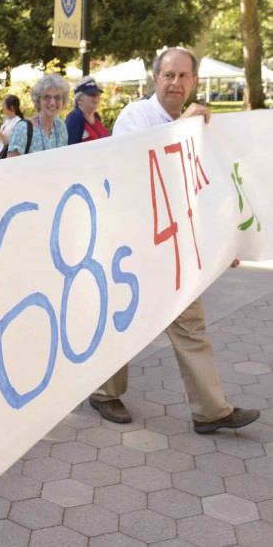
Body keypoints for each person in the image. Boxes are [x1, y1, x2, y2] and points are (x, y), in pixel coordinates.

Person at [89, 47, 260, 434]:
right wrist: (183, 124)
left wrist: (225, 241)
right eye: (169, 75)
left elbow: (206, 187)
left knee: (190, 323)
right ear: (155, 78)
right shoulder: (137, 116)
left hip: (177, 246)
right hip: (135, 242)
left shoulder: (203, 126)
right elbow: (134, 170)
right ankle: (104, 393)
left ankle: (211, 410)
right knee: (125, 319)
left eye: (184, 77)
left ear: (194, 81)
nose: (175, 83)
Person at [7, 73, 69, 157]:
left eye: (57, 97)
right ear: (38, 100)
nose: (52, 102)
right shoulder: (23, 129)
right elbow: (11, 166)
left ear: (63, 100)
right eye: (47, 97)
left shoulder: (60, 126)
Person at [65, 77, 111, 144]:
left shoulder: (96, 116)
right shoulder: (74, 118)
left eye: (98, 93)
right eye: (91, 94)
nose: (96, 96)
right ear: (79, 99)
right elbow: (70, 149)